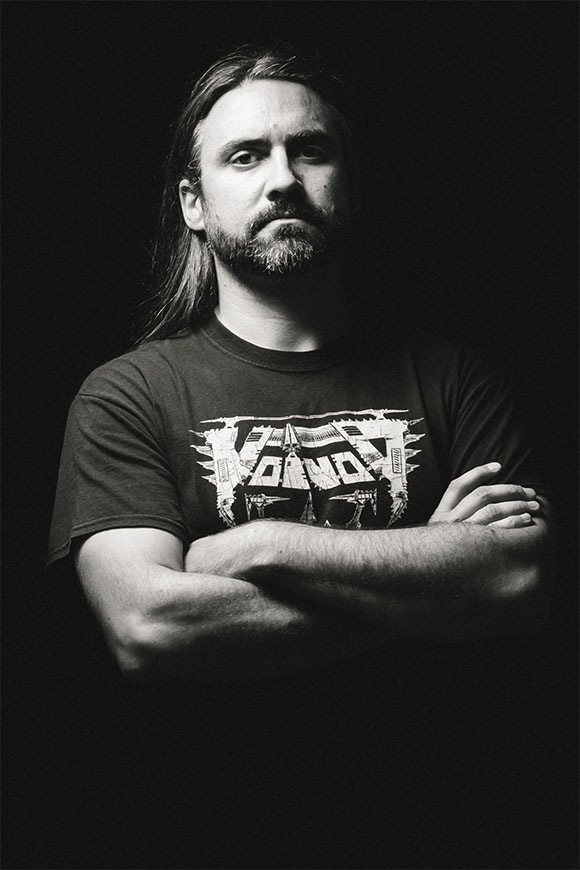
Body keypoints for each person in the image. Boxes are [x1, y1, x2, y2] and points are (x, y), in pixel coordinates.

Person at [48, 45, 552, 687]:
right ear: (193, 204)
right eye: (245, 155)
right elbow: (149, 627)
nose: (284, 179)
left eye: (310, 151)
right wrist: (438, 574)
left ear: (351, 185)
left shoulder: (460, 381)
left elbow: (521, 579)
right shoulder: (127, 397)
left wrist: (261, 546)